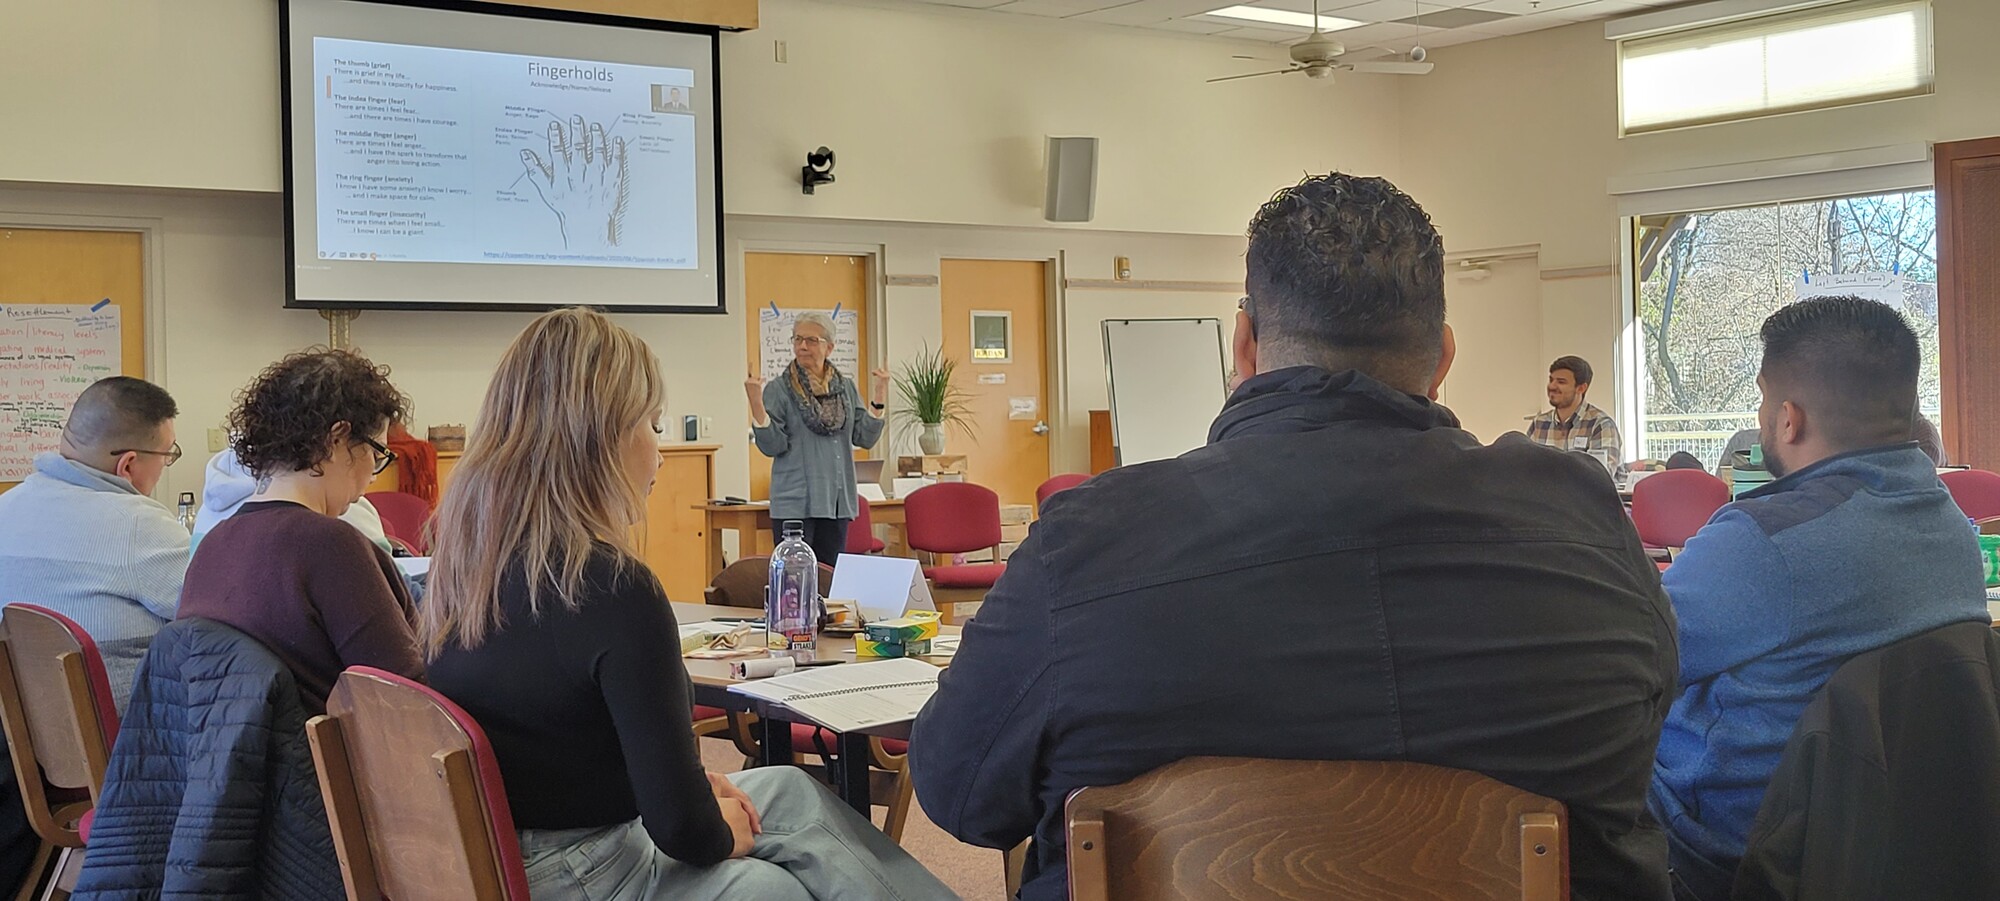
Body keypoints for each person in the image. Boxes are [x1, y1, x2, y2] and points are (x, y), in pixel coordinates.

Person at [911, 173, 1676, 901]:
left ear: (1242, 347)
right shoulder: (1586, 523)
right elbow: (1653, 720)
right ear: (1442, 358)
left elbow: (959, 794)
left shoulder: (1082, 546)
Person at [422, 308, 955, 901]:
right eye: (652, 425)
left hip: (515, 845)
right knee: (772, 885)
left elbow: (574, 743)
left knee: (791, 791)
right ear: (602, 438)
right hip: (587, 868)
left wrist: (698, 791)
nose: (658, 451)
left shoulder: (464, 571)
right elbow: (684, 830)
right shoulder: (615, 589)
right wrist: (713, 825)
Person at [1648, 295, 1988, 901]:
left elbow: (1625, 664)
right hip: (1886, 851)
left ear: (1787, 418)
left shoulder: (1760, 541)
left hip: (1724, 856)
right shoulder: (1957, 531)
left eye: (1760, 401)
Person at [177, 349, 423, 713]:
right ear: (337, 439)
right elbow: (407, 695)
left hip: (243, 764)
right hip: (327, 765)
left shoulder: (215, 542)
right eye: (377, 453)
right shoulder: (330, 545)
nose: (373, 475)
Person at [0, 375, 187, 710]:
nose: (164, 465)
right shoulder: (138, 523)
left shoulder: (6, 507)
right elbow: (228, 612)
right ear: (128, 464)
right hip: (126, 745)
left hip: (28, 740)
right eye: (166, 455)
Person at [746, 312, 889, 565]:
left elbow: (865, 437)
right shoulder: (779, 389)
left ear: (829, 347)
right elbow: (772, 446)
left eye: (811, 340)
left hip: (836, 501)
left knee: (829, 581)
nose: (802, 346)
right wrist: (757, 404)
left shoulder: (844, 388)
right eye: (798, 339)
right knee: (795, 582)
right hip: (795, 501)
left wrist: (879, 395)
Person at [192, 447, 391, 553]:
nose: (373, 475)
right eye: (375, 453)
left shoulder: (213, 536)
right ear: (334, 442)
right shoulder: (337, 536)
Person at [1528, 355, 1623, 475]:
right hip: (1545, 493)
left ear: (1581, 388)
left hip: (1588, 494)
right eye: (1551, 380)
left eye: (1561, 382)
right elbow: (1526, 470)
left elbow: (1600, 478)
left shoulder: (1601, 425)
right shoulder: (1539, 424)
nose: (1552, 386)